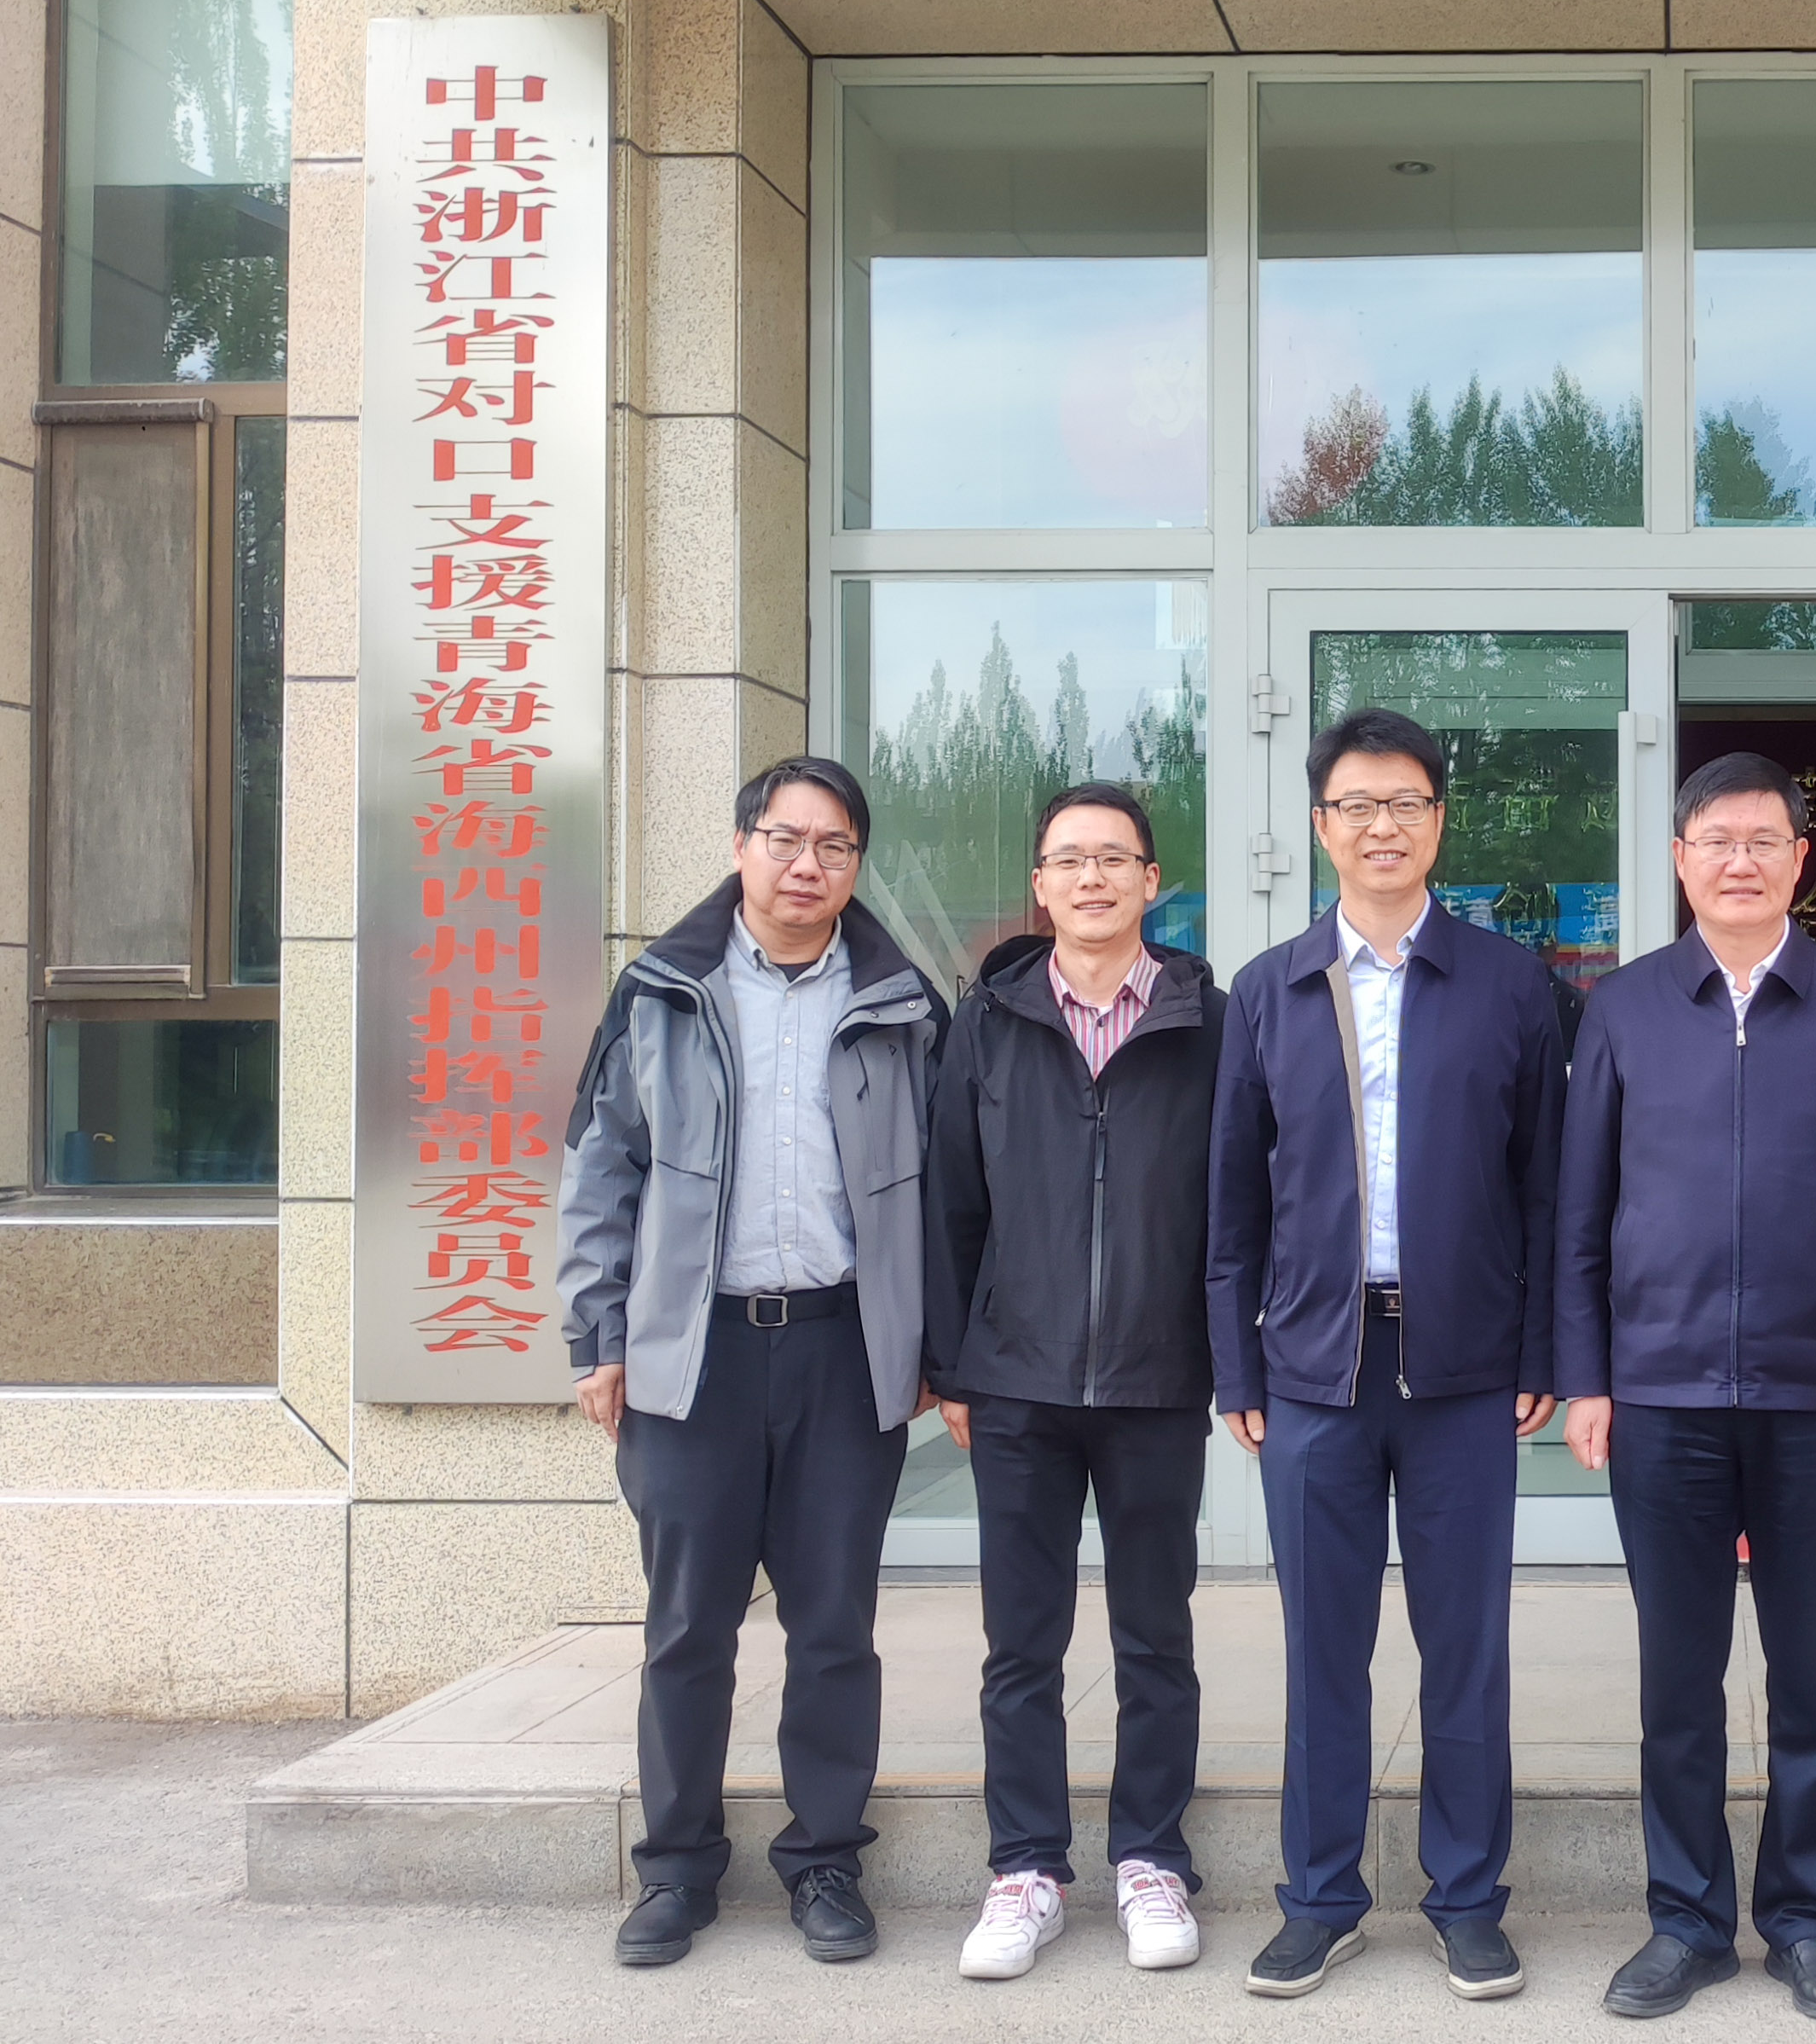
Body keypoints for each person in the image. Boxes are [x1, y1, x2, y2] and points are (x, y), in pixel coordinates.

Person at [1557, 752, 1816, 2024]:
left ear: (1799, 861)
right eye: (1715, 840)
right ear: (1680, 860)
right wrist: (1587, 1376)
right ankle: (1686, 1921)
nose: (1739, 860)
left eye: (1763, 840)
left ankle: (1804, 1919)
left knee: (1812, 1675)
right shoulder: (1623, 1007)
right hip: (1661, 1395)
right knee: (1679, 1680)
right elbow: (1582, 1214)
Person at [558, 755, 946, 1968]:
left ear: (855, 866)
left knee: (834, 1625)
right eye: (785, 839)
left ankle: (825, 1861)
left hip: (843, 1352)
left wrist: (935, 1347)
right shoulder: (663, 993)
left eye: (834, 846)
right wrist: (597, 1335)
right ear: (741, 848)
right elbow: (600, 1168)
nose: (806, 865)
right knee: (689, 1627)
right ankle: (676, 1871)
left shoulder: (901, 1006)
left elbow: (948, 1194)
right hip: (693, 1356)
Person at [1208, 709, 1567, 2002]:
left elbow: (1547, 1190)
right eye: (1357, 805)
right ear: (1322, 827)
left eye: (1406, 803)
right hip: (1316, 1367)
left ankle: (1468, 1897)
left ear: (1438, 822)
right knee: (1324, 1650)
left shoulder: (1511, 985)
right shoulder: (1270, 988)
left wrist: (1540, 1347)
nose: (1382, 826)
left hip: (1464, 1371)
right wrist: (1237, 1367)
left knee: (1466, 1647)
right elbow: (1232, 1201)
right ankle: (1320, 1898)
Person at [922, 781, 1222, 1982]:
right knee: (1022, 1642)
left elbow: (1240, 1206)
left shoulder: (1212, 1022)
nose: (1091, 879)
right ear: (1040, 886)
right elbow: (951, 1201)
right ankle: (1026, 1868)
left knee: (1156, 1636)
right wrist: (955, 1364)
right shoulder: (988, 1022)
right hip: (1018, 1383)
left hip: (1158, 1379)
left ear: (1152, 881)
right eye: (1068, 860)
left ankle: (1151, 1858)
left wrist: (1226, 1355)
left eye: (1114, 859)